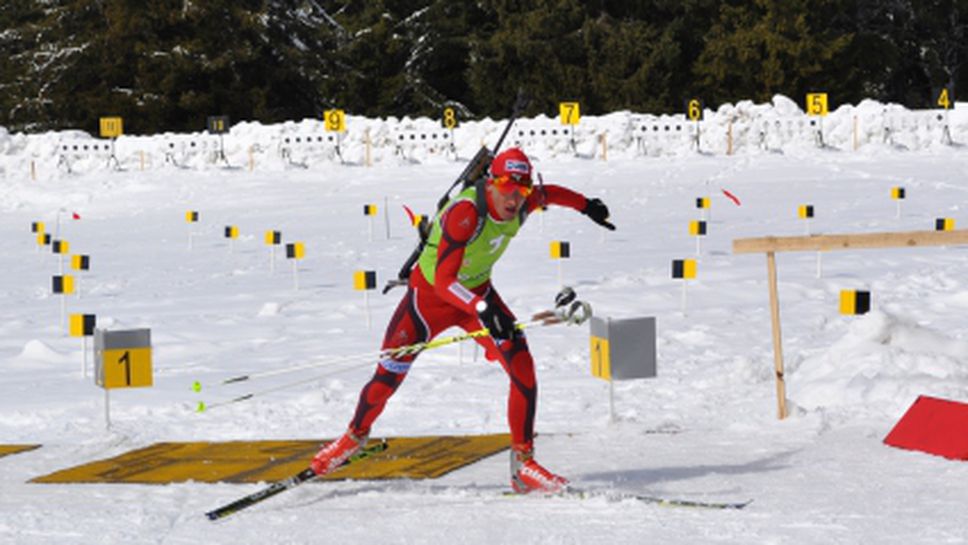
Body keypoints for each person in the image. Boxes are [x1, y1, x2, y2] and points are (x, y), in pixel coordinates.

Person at [310, 147, 615, 493]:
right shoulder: (466, 213)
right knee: (386, 379)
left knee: (523, 368)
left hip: (476, 295)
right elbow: (443, 281)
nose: (514, 199)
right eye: (507, 189)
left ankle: (523, 465)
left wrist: (587, 205)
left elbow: (552, 193)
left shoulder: (525, 200)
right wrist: (484, 310)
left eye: (522, 191)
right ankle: (353, 438)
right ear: (492, 183)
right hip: (428, 302)